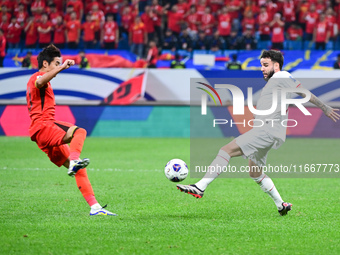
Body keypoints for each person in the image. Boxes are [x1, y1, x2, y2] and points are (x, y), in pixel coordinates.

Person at [177, 50, 340, 216]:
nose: (262, 68)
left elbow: (304, 92)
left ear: (276, 66)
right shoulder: (276, 82)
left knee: (225, 150)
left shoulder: (281, 76)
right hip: (268, 131)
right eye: (261, 65)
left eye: (265, 65)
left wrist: (325, 108)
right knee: (255, 173)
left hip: (266, 130)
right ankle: (281, 204)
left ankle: (200, 186)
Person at [25, 44, 115, 216]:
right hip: (44, 126)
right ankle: (74, 160)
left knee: (80, 170)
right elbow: (40, 81)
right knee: (79, 132)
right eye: (56, 63)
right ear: (45, 64)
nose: (58, 66)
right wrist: (62, 67)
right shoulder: (37, 77)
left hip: (40, 135)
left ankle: (95, 207)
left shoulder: (40, 81)